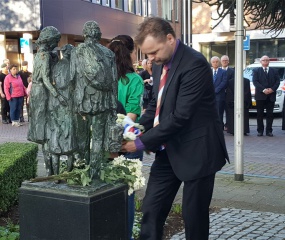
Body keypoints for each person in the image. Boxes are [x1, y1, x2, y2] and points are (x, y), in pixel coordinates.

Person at [122, 17, 229, 240]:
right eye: (147, 54)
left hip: (198, 151)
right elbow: (157, 105)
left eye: (153, 52)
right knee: (151, 209)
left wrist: (139, 143)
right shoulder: (161, 62)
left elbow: (180, 116)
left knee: (194, 218)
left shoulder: (195, 63)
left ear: (170, 38)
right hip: (168, 150)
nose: (151, 60)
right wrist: (136, 128)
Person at [108, 34, 144, 240]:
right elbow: (131, 116)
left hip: (100, 144)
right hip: (126, 142)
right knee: (127, 195)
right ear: (130, 53)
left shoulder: (100, 79)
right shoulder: (134, 80)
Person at [252, 55, 280, 137]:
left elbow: (277, 81)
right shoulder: (256, 71)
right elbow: (255, 82)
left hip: (271, 95)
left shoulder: (274, 71)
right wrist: (264, 90)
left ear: (269, 61)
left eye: (267, 60)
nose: (265, 61)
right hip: (260, 95)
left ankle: (269, 131)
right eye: (264, 60)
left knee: (270, 114)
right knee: (259, 114)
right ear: (261, 62)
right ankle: (260, 130)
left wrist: (272, 89)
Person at [211, 56, 228, 127]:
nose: (215, 63)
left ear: (219, 62)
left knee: (219, 112)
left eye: (216, 62)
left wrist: (216, 90)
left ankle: (220, 127)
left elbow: (224, 82)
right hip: (210, 95)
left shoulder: (223, 72)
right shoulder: (207, 71)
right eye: (213, 62)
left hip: (219, 95)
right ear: (211, 63)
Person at [220, 55, 234, 131]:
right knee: (220, 111)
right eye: (223, 60)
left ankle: (228, 125)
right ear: (221, 62)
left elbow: (232, 82)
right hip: (220, 94)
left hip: (229, 94)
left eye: (226, 60)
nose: (225, 62)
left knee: (229, 111)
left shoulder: (232, 71)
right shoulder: (218, 71)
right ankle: (221, 125)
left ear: (228, 61)